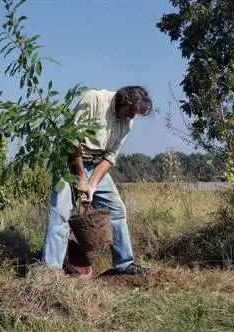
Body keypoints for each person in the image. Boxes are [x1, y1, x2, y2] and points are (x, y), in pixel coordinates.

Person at [41, 85, 153, 276]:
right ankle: (51, 271)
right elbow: (72, 140)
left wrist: (92, 185)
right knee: (60, 213)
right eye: (131, 112)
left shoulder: (127, 122)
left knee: (117, 210)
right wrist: (81, 178)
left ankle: (124, 264)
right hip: (69, 161)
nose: (131, 117)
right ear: (123, 100)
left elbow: (110, 156)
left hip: (95, 164)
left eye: (135, 115)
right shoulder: (93, 100)